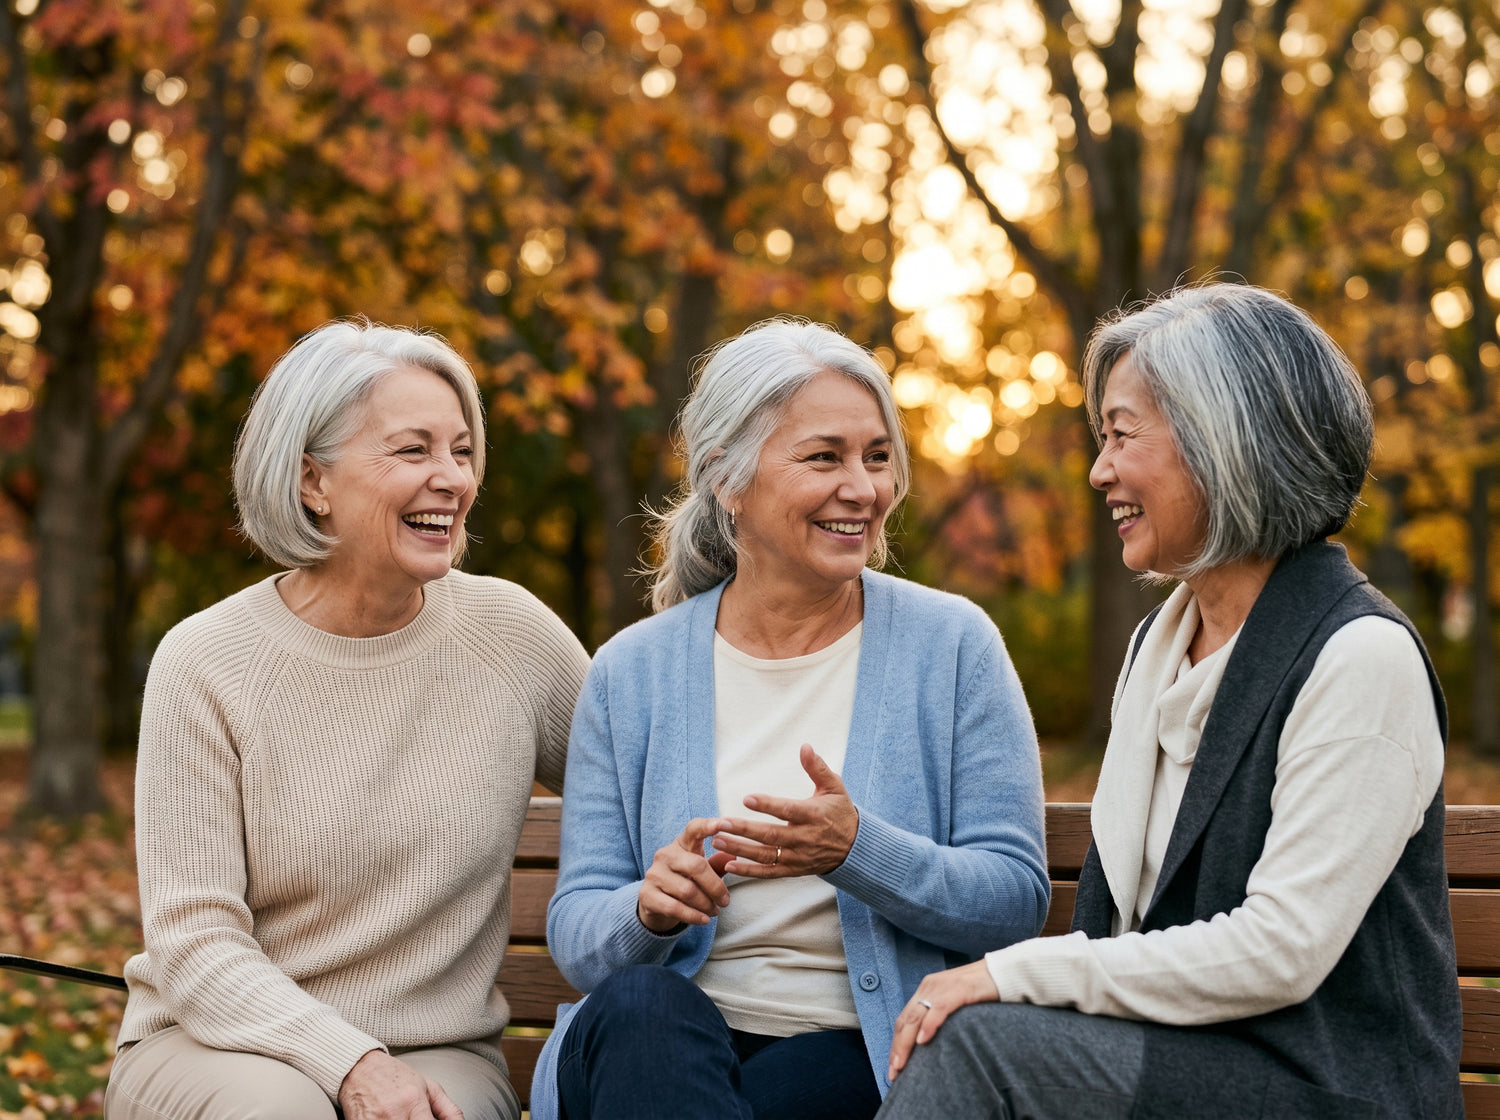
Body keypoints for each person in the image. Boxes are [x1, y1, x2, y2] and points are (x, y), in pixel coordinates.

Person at [879, 284, 1463, 1119]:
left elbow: (1281, 950)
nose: (1098, 469)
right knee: (970, 1042)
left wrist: (1017, 974)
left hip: (1327, 1090)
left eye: (1121, 434)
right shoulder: (1158, 651)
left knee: (976, 1045)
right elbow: (1123, 931)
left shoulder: (1359, 657)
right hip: (1178, 1068)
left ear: (1221, 441)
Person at [530, 318, 1050, 1120]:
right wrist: (647, 910)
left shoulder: (953, 647)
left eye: (877, 457)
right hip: (656, 1042)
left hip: (862, 1047)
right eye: (824, 457)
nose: (863, 487)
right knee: (642, 1009)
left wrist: (857, 850)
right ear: (726, 480)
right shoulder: (631, 672)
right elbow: (577, 930)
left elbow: (1014, 897)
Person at [105, 321, 591, 1120]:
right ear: (312, 482)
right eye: (413, 451)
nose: (452, 479)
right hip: (219, 1042)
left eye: (461, 451)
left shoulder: (512, 636)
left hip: (436, 1048)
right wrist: (349, 1062)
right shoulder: (204, 661)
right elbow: (194, 943)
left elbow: (647, 791)